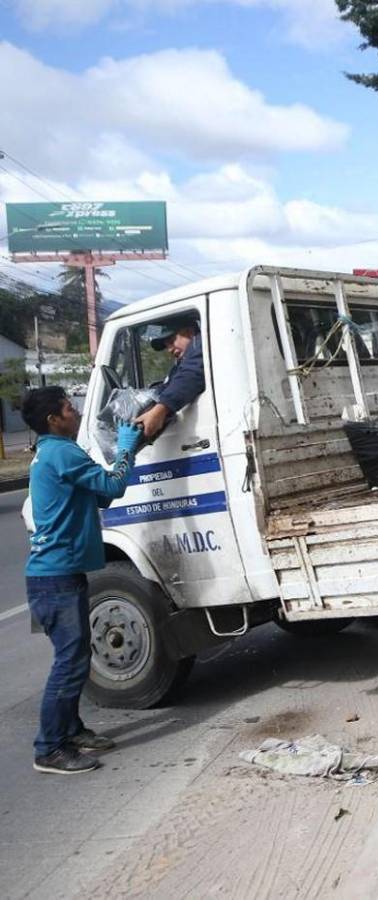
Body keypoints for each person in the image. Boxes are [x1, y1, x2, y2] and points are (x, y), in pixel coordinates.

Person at [22, 386, 142, 774]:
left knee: (75, 657)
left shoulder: (53, 453)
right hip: (55, 578)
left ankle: (71, 730)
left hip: (54, 577)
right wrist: (126, 447)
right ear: (54, 420)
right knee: (69, 663)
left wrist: (119, 457)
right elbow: (115, 487)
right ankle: (50, 748)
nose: (75, 413)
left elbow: (100, 496)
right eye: (69, 408)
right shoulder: (62, 451)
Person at [134, 314, 205, 439]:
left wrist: (160, 411)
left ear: (189, 332)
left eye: (172, 341)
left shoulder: (200, 346)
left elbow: (190, 376)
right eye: (167, 345)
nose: (169, 350)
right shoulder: (183, 361)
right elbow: (170, 384)